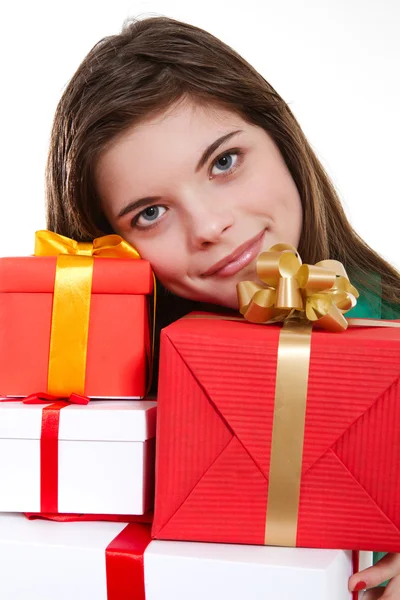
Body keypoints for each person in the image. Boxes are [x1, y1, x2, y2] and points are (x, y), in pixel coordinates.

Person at [45, 16, 400, 598]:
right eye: (150, 213)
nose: (211, 226)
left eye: (224, 162)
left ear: (281, 138)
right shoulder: (95, 421)